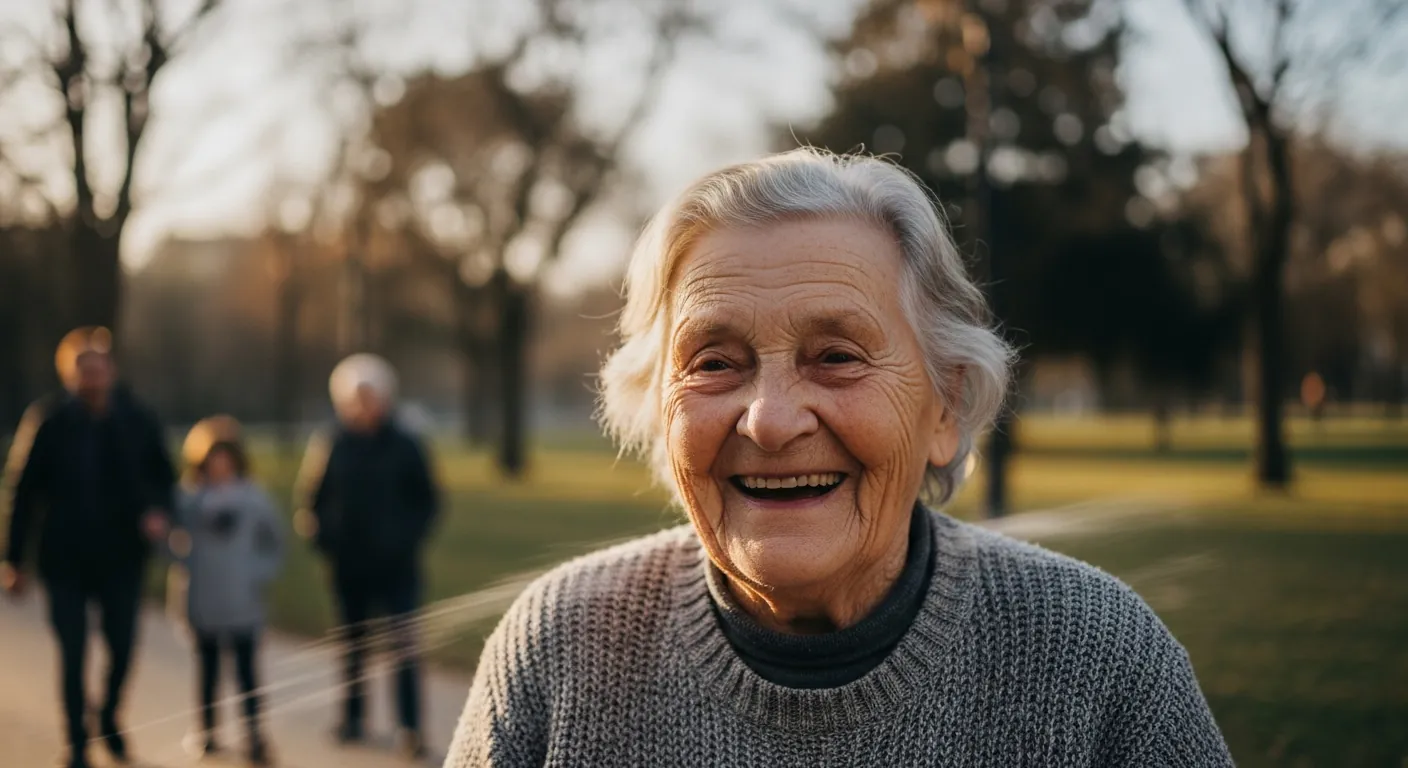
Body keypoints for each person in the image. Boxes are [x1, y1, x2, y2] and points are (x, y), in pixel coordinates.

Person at [445, 149, 1234, 766]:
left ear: (946, 407)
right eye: (714, 363)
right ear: (659, 405)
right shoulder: (558, 646)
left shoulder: (1097, 656)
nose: (773, 420)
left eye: (837, 356)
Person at [2, 327, 176, 768]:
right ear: (69, 374)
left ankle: (110, 715)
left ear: (111, 371)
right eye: (83, 371)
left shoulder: (138, 419)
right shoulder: (48, 421)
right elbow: (22, 492)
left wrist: (158, 512)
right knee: (73, 651)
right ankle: (77, 741)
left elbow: (164, 478)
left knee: (121, 647)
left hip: (122, 558)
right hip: (64, 559)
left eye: (99, 369)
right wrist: (13, 560)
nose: (92, 379)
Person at [295, 353, 440, 760]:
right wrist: (323, 539)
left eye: (369, 395)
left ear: (385, 397)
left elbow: (428, 502)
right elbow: (313, 499)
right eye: (355, 397)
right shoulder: (333, 443)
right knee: (352, 648)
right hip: (349, 568)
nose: (363, 404)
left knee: (404, 650)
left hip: (398, 569)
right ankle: (352, 719)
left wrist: (404, 540)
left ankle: (410, 728)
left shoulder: (407, 444)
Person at [170, 417, 283, 765]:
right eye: (212, 458)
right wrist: (186, 563)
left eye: (225, 457)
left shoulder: (254, 498)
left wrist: (256, 573)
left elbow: (274, 542)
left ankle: (254, 735)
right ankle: (207, 731)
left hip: (243, 601)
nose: (220, 465)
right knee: (207, 671)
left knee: (248, 672)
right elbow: (170, 543)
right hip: (203, 599)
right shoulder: (189, 499)